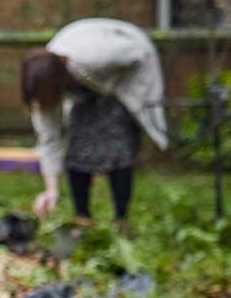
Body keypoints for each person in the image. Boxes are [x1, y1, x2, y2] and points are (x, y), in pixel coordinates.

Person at [21, 18, 168, 225]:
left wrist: (120, 92)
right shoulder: (43, 84)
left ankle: (121, 220)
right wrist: (51, 191)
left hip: (125, 73)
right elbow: (49, 138)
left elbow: (140, 52)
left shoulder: (97, 57)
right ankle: (83, 218)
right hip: (86, 89)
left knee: (119, 149)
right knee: (78, 149)